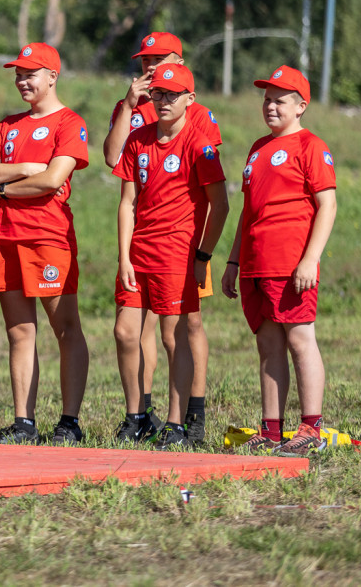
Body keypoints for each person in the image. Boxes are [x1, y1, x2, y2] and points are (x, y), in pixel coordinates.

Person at [103, 32, 224, 445]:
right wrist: (129, 102)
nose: (149, 66)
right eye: (144, 61)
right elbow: (114, 164)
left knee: (185, 327)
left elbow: (212, 193)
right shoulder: (138, 113)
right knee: (130, 330)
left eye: (159, 59)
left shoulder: (199, 120)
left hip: (182, 245)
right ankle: (140, 415)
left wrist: (203, 254)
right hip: (142, 246)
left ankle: (191, 416)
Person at [221, 66, 337, 456]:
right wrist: (234, 262)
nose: (270, 107)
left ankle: (311, 427)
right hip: (256, 264)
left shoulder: (310, 146)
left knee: (300, 339)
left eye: (280, 100)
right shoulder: (257, 148)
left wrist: (310, 259)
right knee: (267, 343)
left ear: (301, 106)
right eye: (267, 100)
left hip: (291, 264)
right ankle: (271, 429)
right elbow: (247, 210)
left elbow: (327, 205)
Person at [0, 43, 91, 444]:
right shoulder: (6, 126)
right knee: (19, 333)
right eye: (18, 73)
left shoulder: (68, 122)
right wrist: (25, 169)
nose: (22, 80)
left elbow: (53, 180)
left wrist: (6, 188)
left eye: (30, 73)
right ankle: (23, 422)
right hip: (5, 236)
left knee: (65, 328)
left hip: (48, 238)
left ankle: (70, 421)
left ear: (52, 77)